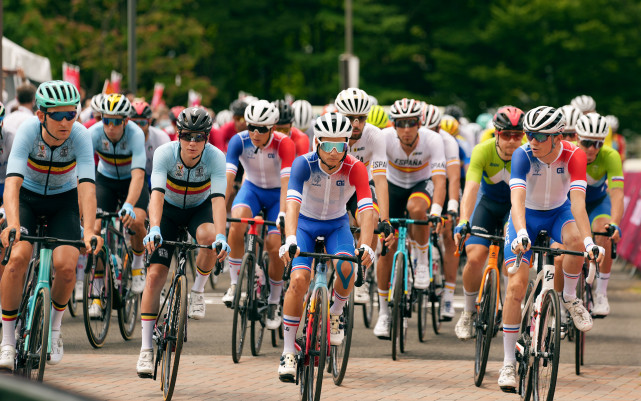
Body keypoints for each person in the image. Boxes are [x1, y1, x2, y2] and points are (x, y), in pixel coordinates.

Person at [497, 106, 604, 392]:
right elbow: (517, 201)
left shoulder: (575, 154)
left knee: (575, 241)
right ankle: (508, 362)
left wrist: (590, 241)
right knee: (515, 287)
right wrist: (520, 232)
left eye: (540, 136)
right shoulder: (523, 154)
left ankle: (569, 297)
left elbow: (578, 204)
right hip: (526, 217)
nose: (532, 140)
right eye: (529, 134)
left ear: (557, 137)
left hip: (559, 212)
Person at [0, 80, 102, 370]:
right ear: (41, 115)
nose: (66, 121)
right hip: (28, 199)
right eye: (58, 115)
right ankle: (7, 341)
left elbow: (87, 188)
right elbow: (12, 184)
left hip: (63, 201)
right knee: (17, 259)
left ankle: (54, 330)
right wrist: (13, 224)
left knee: (67, 267)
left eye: (71, 114)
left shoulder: (80, 136)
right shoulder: (28, 133)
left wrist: (91, 230)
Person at [277, 112, 375, 382]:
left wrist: (366, 244)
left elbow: (366, 207)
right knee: (298, 279)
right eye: (328, 145)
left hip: (336, 225)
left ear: (348, 145)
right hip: (305, 226)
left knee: (347, 266)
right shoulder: (303, 164)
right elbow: (292, 201)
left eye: (341, 145)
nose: (334, 152)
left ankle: (335, 314)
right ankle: (287, 351)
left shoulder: (355, 167)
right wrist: (290, 238)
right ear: (317, 142)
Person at [137, 107, 229, 377]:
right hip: (167, 211)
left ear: (207, 138)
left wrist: (222, 235)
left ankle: (198, 292)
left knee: (209, 237)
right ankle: (145, 349)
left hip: (198, 210)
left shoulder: (215, 158)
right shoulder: (165, 153)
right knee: (155, 277)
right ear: (178, 135)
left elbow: (219, 200)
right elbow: (155, 194)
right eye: (187, 136)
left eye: (199, 137)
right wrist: (154, 228)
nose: (192, 143)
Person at [373, 98, 446, 339]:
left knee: (417, 208)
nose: (406, 129)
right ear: (393, 124)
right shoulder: (384, 138)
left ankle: (423, 262)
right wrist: (383, 217)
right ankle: (384, 313)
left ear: (419, 122)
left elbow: (439, 180)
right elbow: (377, 177)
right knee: (386, 250)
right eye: (401, 123)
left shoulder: (432, 139)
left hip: (419, 185)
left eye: (411, 123)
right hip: (392, 187)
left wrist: (435, 211)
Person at [453, 106, 525, 340]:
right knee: (475, 257)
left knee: (511, 262)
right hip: (486, 205)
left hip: (514, 209)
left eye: (518, 135)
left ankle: (508, 309)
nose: (512, 140)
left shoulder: (527, 155)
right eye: (507, 135)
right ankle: (467, 311)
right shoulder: (482, 151)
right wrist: (464, 219)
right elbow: (471, 190)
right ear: (496, 133)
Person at [222, 100, 295, 331]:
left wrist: (283, 212)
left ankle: (274, 301)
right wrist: (220, 210)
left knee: (274, 246)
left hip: (276, 196)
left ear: (272, 128)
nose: (255, 132)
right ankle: (235, 284)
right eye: (251, 126)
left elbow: (286, 184)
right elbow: (228, 179)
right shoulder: (238, 141)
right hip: (251, 189)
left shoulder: (284, 143)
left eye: (262, 129)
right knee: (236, 222)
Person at [334, 88, 393, 305]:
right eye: (350, 118)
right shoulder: (328, 131)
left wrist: (385, 220)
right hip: (332, 186)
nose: (356, 124)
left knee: (371, 218)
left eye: (361, 118)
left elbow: (380, 179)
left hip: (360, 185)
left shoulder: (374, 135)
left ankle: (362, 268)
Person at [89, 94, 148, 298]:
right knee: (95, 229)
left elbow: (139, 174)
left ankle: (138, 266)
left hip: (130, 180)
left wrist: (130, 204)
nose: (110, 126)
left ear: (126, 121)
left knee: (137, 221)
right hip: (105, 181)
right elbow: (85, 174)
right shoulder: (94, 133)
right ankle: (96, 291)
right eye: (106, 120)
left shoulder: (136, 134)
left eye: (116, 122)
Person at [574, 113, 623, 316]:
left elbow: (617, 193)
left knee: (605, 232)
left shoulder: (610, 156)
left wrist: (615, 224)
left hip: (597, 202)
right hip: (572, 202)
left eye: (598, 143)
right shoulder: (568, 152)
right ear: (577, 138)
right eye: (587, 142)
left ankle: (601, 294)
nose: (593, 148)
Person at [423, 103, 462, 320]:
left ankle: (448, 294)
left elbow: (454, 177)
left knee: (449, 235)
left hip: (444, 184)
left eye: (435, 130)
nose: (432, 136)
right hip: (421, 184)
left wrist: (453, 207)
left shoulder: (448, 141)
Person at [130, 101, 170, 188]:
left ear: (150, 122)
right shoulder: (122, 136)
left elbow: (167, 170)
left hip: (155, 175)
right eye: (134, 123)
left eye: (143, 123)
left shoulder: (162, 138)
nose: (138, 127)